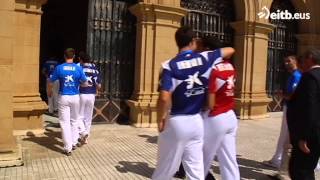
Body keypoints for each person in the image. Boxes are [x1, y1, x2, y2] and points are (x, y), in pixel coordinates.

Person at [152, 26, 235, 180]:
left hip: (176, 121)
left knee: (165, 169)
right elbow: (230, 50)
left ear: (177, 42)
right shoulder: (206, 57)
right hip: (197, 122)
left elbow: (164, 97)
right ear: (193, 41)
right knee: (196, 170)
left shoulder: (169, 65)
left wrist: (160, 119)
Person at [202, 39, 240, 180]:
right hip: (230, 115)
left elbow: (211, 103)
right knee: (229, 159)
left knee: (203, 158)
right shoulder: (230, 66)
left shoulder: (214, 70)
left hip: (216, 117)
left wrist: (205, 107)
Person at [263, 55, 302, 179]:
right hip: (288, 108)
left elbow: (293, 95)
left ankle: (280, 163)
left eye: (288, 61)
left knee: (286, 137)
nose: (286, 63)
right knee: (284, 136)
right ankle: (278, 160)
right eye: (285, 61)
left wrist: (282, 95)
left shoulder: (296, 76)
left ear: (295, 62)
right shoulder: (293, 75)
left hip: (291, 109)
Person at [287, 49, 320, 180]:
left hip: (309, 134)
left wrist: (303, 137)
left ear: (310, 58)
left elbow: (309, 108)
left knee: (300, 170)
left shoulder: (310, 77)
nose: (301, 64)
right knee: (305, 169)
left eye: (303, 60)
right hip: (316, 132)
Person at [48, 48, 88, 156]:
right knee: (74, 121)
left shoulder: (59, 68)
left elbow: (50, 81)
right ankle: (74, 142)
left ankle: (68, 148)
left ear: (64, 56)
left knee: (64, 123)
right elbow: (85, 83)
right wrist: (79, 84)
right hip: (75, 96)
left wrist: (49, 91)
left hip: (63, 96)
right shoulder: (78, 68)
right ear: (74, 56)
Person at [78, 54, 101, 145]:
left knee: (79, 116)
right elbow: (99, 85)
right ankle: (86, 137)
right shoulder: (95, 69)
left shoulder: (80, 69)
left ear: (82, 60)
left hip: (82, 94)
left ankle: (83, 132)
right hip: (92, 95)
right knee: (88, 117)